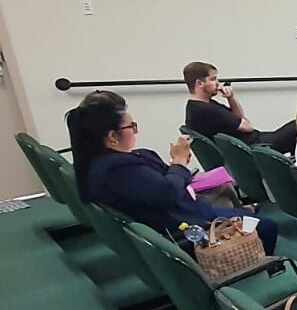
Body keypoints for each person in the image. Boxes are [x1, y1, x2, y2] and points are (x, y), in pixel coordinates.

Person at [67, 97, 278, 253]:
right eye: (132, 126)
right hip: (187, 231)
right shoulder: (117, 169)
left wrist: (177, 167)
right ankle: (254, 269)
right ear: (112, 136)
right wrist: (178, 162)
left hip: (184, 216)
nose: (136, 131)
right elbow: (168, 192)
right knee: (267, 226)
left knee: (241, 211)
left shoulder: (100, 162)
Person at [182, 61, 297, 153]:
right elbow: (247, 127)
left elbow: (238, 117)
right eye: (213, 79)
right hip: (257, 148)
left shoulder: (196, 107)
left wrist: (230, 97)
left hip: (253, 144)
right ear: (199, 83)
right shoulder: (208, 110)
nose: (218, 83)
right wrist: (242, 121)